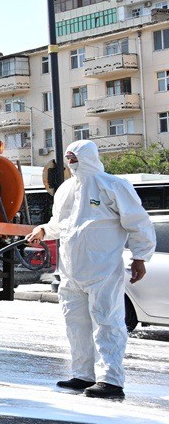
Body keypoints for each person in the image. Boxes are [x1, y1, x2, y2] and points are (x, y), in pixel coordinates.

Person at [27, 139, 156, 399]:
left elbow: (138, 223)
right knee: (76, 324)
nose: (71, 162)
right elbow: (60, 224)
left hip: (103, 269)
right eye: (68, 158)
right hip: (71, 271)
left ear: (89, 156)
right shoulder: (65, 189)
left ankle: (111, 380)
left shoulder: (114, 185)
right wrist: (42, 230)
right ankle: (83, 375)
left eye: (75, 157)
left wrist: (141, 257)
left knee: (107, 322)